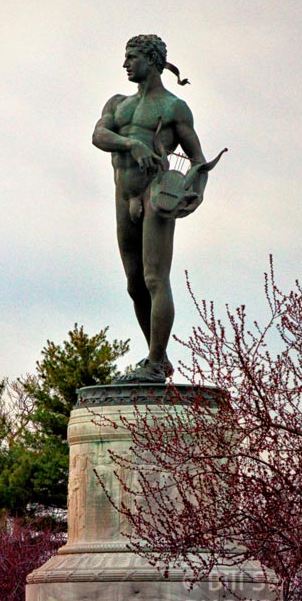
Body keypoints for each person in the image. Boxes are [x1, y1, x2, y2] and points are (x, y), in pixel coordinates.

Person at [92, 34, 207, 382]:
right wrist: (131, 143)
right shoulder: (117, 103)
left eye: (132, 57)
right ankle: (158, 358)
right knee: (134, 284)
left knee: (155, 277)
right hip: (123, 196)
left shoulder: (173, 107)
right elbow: (98, 136)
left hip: (155, 195)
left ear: (152, 60)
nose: (125, 64)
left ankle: (155, 363)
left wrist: (194, 193)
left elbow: (198, 159)